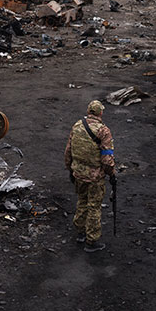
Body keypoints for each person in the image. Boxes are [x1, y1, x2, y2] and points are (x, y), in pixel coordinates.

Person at [64, 100, 115, 252]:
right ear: (100, 113)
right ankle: (91, 241)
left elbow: (68, 150)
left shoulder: (77, 125)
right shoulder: (103, 131)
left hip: (78, 173)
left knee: (81, 201)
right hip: (95, 177)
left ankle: (80, 232)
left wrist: (70, 169)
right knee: (94, 207)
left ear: (88, 111)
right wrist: (111, 173)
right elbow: (107, 158)